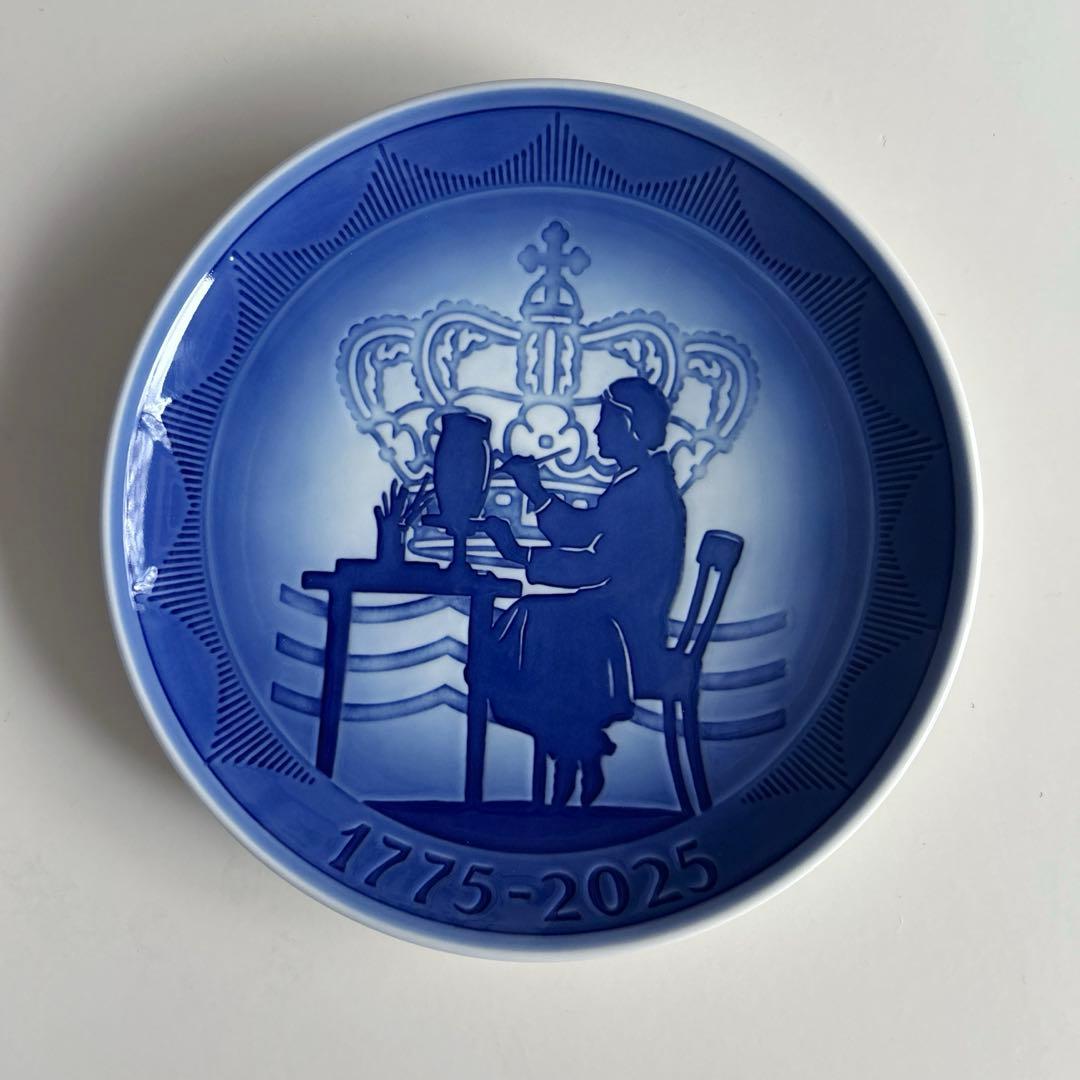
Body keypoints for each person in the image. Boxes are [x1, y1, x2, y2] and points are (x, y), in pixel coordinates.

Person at [476, 377, 687, 807]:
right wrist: (534, 490)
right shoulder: (637, 483)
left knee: (533, 621)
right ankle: (576, 745)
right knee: (534, 619)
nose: (596, 430)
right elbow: (583, 532)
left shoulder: (644, 491)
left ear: (629, 427)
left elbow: (593, 567)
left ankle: (574, 745)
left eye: (605, 420)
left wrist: (519, 555)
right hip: (611, 618)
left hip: (627, 630)